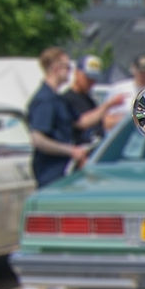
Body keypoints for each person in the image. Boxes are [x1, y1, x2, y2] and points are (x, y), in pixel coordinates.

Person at [26, 47, 90, 187]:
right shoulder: (45, 100)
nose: (70, 72)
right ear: (55, 68)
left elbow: (81, 122)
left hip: (63, 171)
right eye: (67, 67)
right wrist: (70, 150)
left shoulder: (58, 99)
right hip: (50, 173)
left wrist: (107, 106)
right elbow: (38, 139)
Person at [60, 55, 124, 145]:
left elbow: (102, 122)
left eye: (94, 78)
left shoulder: (89, 100)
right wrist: (108, 105)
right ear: (77, 73)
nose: (91, 82)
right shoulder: (67, 99)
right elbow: (82, 121)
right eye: (88, 77)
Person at [103, 53, 145, 132]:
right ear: (133, 69)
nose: (144, 75)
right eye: (141, 72)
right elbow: (107, 122)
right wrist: (133, 119)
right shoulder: (119, 89)